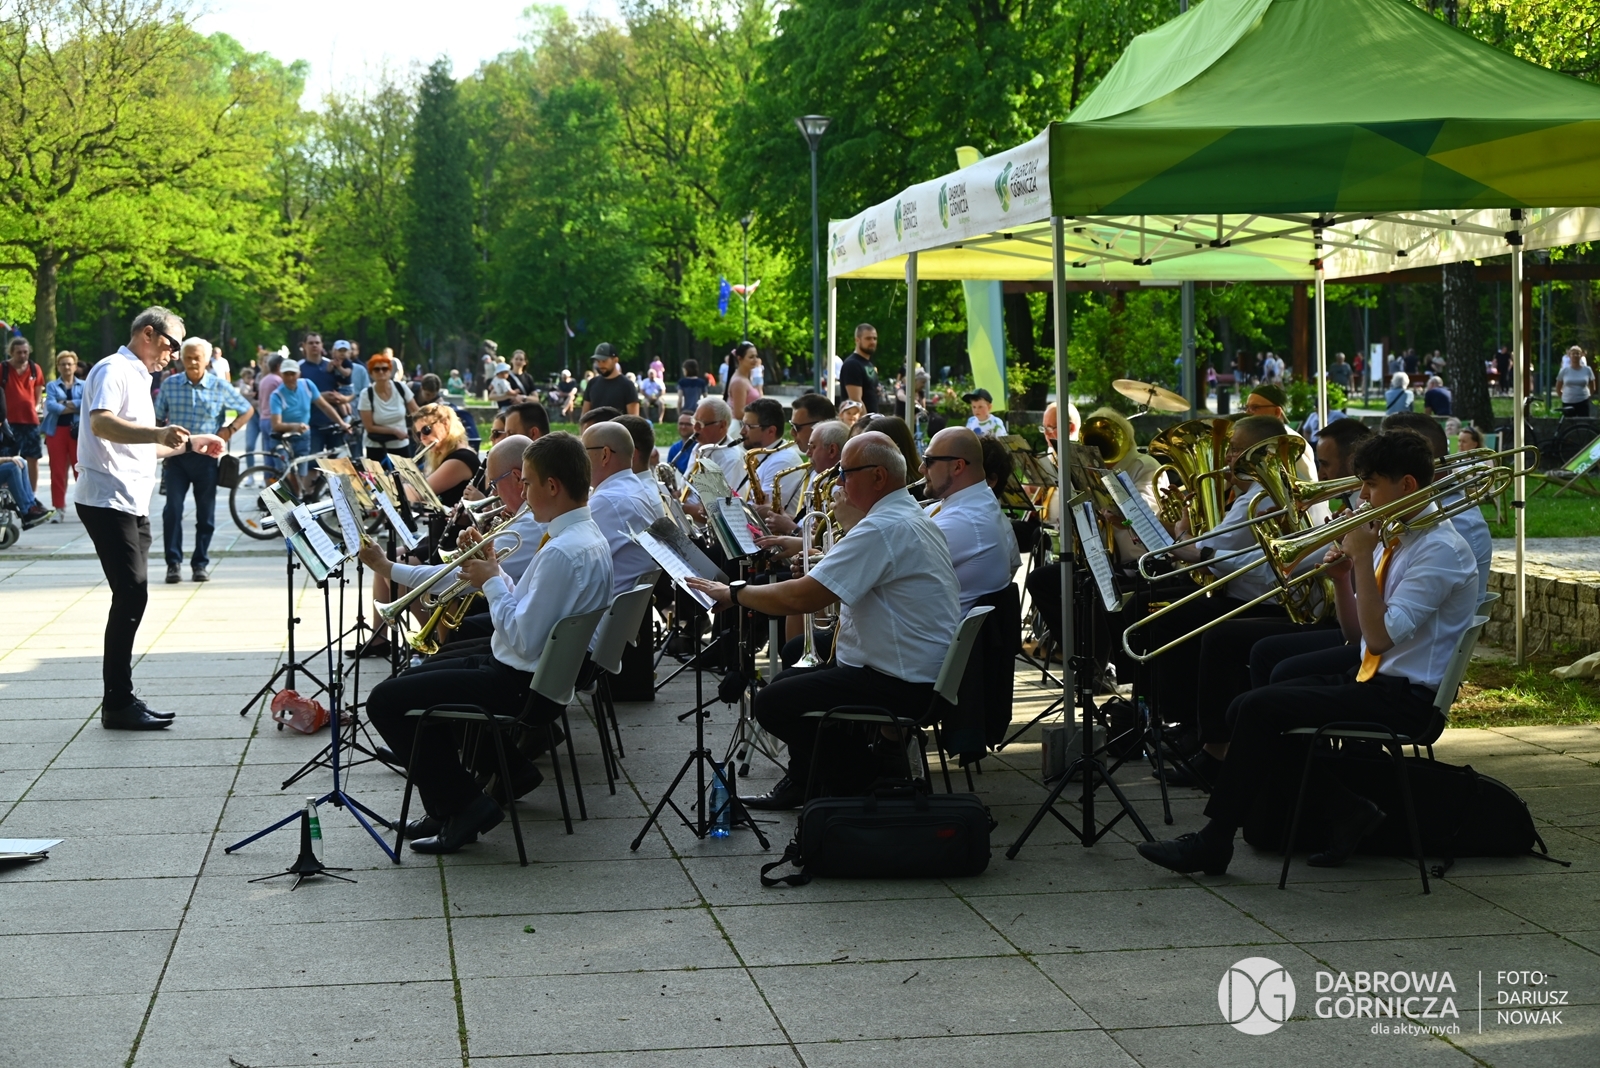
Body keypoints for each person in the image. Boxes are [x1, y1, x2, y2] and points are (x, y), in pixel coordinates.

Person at [1137, 430, 1478, 876]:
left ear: (1408, 485)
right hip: (1375, 675)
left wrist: (1361, 560)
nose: (1362, 497)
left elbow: (1378, 640)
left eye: (1371, 485)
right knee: (1247, 705)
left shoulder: (1439, 550)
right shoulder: (1400, 534)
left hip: (1406, 697)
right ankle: (1342, 809)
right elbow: (1356, 635)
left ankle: (1215, 840)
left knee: (1255, 710)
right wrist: (1343, 578)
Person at [366, 433, 614, 853]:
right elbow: (533, 612)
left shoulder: (562, 550)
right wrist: (495, 570)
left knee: (384, 701)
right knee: (421, 676)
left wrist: (492, 583)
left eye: (528, 483)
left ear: (552, 486)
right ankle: (446, 805)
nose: (524, 493)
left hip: (521, 684)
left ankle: (465, 806)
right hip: (532, 675)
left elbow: (523, 638)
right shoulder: (583, 536)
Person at [687, 431, 960, 810]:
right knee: (786, 677)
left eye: (845, 473)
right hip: (914, 671)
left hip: (901, 681)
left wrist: (735, 593)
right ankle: (807, 781)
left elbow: (803, 597)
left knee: (771, 704)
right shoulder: (906, 516)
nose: (838, 483)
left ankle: (868, 777)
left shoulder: (882, 527)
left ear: (878, 476)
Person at [78, 307, 227, 729]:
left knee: (132, 597)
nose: (174, 355)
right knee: (131, 595)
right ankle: (117, 703)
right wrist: (157, 432)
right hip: (107, 499)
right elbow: (102, 424)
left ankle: (120, 699)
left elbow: (141, 445)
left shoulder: (139, 376)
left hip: (129, 501)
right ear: (148, 333)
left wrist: (190, 444)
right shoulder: (114, 369)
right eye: (171, 345)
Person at [920, 426, 1022, 752]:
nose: (921, 469)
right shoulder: (959, 507)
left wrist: (855, 523)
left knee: (795, 680)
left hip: (923, 663)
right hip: (930, 648)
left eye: (928, 461)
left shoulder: (964, 520)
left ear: (957, 466)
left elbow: (883, 567)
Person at [155, 337, 255, 583]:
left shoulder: (219, 386)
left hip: (207, 459)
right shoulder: (170, 384)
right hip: (176, 458)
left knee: (205, 514)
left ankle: (200, 563)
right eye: (187, 357)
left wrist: (228, 431)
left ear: (207, 360)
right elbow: (157, 418)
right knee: (172, 511)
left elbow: (247, 409)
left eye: (196, 358)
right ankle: (173, 564)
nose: (191, 362)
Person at [1386, 412, 1493, 602]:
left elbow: (1392, 614)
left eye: (1383, 465)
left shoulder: (1459, 522)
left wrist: (1362, 559)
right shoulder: (1411, 509)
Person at [584, 421, 661, 595]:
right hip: (618, 604)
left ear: (605, 455)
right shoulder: (633, 486)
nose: (580, 460)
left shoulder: (608, 500)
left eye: (583, 451)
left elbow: (569, 563)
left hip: (601, 607)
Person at [268, 359, 350, 485]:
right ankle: (283, 495)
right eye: (286, 374)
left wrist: (341, 423)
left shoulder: (307, 385)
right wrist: (294, 426)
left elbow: (324, 406)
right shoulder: (277, 396)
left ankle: (301, 496)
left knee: (301, 475)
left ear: (299, 374)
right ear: (281, 375)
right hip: (282, 438)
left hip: (303, 436)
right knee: (285, 474)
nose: (290, 378)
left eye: (293, 374)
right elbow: (276, 425)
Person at [739, 398, 804, 512]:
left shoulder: (783, 462)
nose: (742, 431)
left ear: (771, 431)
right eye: (742, 424)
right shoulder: (758, 455)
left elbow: (764, 511)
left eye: (749, 426)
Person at [413, 403, 480, 507]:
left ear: (445, 423)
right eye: (418, 434)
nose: (422, 438)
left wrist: (393, 485)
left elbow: (419, 493)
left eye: (426, 430)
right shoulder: (448, 455)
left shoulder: (460, 460)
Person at [1, 335, 46, 491]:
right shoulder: (3, 369)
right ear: (11, 352)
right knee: (7, 459)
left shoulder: (35, 369)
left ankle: (31, 494)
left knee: (33, 457)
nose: (23, 355)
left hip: (30, 421)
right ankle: (7, 492)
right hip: (8, 422)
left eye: (25, 352)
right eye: (19, 352)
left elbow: (38, 392)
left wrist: (34, 408)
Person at [295, 333, 351, 454]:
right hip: (312, 424)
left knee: (338, 463)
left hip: (335, 423)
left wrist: (342, 398)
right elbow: (295, 397)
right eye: (310, 343)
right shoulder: (298, 368)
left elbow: (348, 389)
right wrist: (320, 397)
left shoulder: (332, 365)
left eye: (317, 343)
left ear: (322, 345)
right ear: (304, 346)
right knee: (313, 463)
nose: (314, 345)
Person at [356, 353, 419, 460]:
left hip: (400, 443)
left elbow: (416, 412)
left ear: (390, 371)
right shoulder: (366, 394)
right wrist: (395, 431)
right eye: (376, 369)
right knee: (377, 471)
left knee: (406, 471)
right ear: (371, 374)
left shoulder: (401, 388)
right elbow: (369, 427)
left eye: (384, 369)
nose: (381, 372)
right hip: (376, 445)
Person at [43, 351, 83, 518]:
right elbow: (51, 406)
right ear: (58, 367)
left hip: (77, 433)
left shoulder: (84, 385)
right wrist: (75, 406)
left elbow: (87, 404)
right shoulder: (52, 386)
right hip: (56, 432)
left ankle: (85, 507)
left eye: (69, 364)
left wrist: (65, 403)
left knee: (80, 470)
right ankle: (59, 507)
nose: (66, 367)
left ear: (75, 366)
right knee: (57, 471)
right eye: (63, 364)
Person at [581, 343, 640, 417]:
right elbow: (585, 416)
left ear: (615, 360)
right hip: (596, 425)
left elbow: (634, 419)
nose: (600, 365)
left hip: (619, 425)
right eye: (598, 361)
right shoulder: (592, 383)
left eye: (604, 361)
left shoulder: (627, 385)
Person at [840, 324, 881, 414]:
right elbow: (856, 401)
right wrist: (866, 420)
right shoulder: (852, 364)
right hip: (861, 420)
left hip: (873, 417)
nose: (872, 342)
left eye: (875, 338)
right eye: (868, 338)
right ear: (857, 340)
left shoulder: (868, 364)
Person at [725, 342, 762, 420]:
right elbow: (739, 414)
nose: (755, 360)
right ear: (740, 359)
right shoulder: (739, 382)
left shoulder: (746, 377)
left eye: (756, 356)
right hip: (740, 426)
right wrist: (761, 416)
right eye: (751, 357)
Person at [1558, 347, 1595, 417]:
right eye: (1573, 354)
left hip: (1583, 401)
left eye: (1577, 353)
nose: (1575, 355)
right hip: (1568, 401)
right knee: (1568, 422)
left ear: (1581, 355)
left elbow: (1592, 386)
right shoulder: (1564, 371)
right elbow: (1558, 387)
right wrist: (1564, 397)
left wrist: (1588, 396)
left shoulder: (1587, 370)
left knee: (1583, 422)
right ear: (1569, 355)